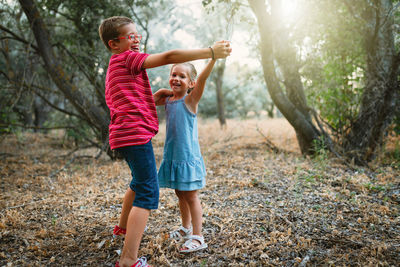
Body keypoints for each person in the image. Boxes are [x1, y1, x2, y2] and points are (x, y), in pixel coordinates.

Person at [98, 16, 231, 267]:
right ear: (114, 44)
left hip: (124, 135)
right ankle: (128, 260)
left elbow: (131, 100)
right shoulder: (127, 58)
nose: (137, 41)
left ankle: (124, 228)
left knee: (140, 183)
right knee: (147, 192)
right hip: (135, 135)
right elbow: (170, 56)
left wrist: (153, 98)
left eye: (138, 36)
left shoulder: (116, 65)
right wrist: (211, 52)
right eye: (132, 37)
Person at [157, 58, 220, 253]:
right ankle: (185, 228)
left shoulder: (190, 100)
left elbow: (202, 79)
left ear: (191, 83)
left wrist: (213, 59)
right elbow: (147, 102)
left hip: (187, 157)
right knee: (179, 192)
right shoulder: (168, 100)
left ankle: (198, 237)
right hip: (173, 155)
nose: (176, 78)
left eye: (182, 76)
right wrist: (159, 93)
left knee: (191, 195)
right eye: (173, 75)